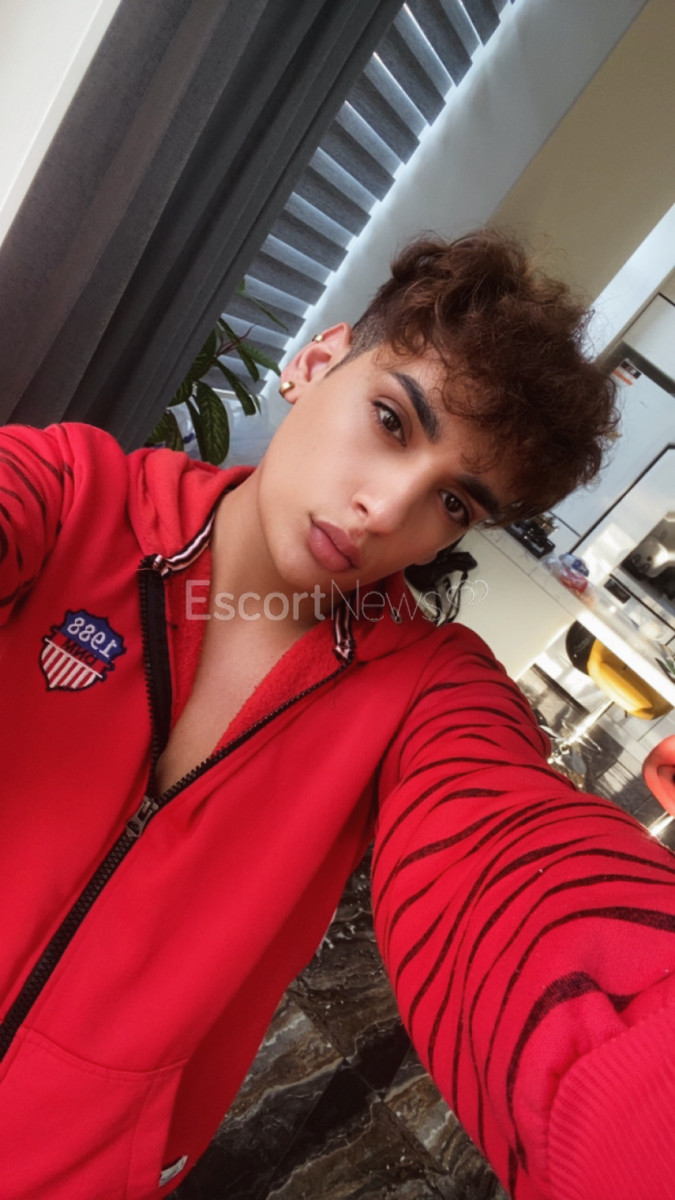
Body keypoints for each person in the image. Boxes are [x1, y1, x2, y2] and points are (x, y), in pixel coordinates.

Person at [0, 230, 673, 1200]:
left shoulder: (424, 696)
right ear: (315, 363)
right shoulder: (74, 498)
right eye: (392, 421)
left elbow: (514, 868)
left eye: (453, 503)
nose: (386, 511)